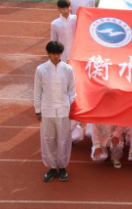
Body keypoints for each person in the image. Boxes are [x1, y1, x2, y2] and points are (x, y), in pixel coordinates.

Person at [34, 41, 76, 182]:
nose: (56, 56)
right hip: (47, 110)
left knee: (64, 139)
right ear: (48, 53)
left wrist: (71, 107)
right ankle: (52, 168)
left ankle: (63, 168)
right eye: (53, 53)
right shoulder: (41, 69)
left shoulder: (67, 69)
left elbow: (72, 91)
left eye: (58, 53)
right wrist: (38, 110)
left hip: (64, 110)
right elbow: (37, 91)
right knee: (48, 139)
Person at [50, 0, 77, 64]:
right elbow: (54, 40)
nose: (65, 10)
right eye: (63, 9)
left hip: (75, 52)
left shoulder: (76, 19)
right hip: (63, 54)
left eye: (67, 8)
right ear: (58, 9)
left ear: (70, 6)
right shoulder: (55, 23)